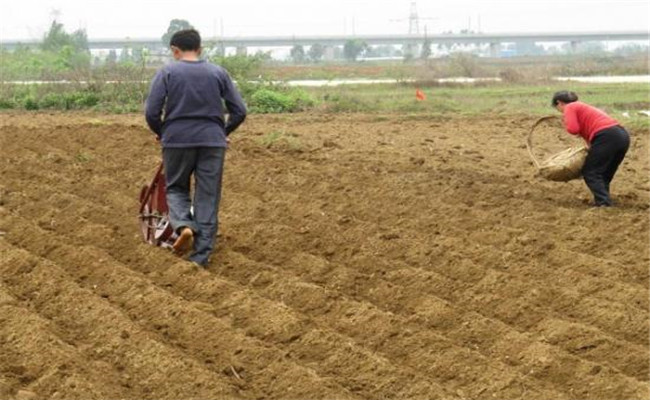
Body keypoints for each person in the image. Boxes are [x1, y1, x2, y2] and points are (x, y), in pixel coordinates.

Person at [145, 29, 247, 266]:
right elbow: (239, 111)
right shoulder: (218, 72)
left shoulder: (167, 72)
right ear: (200, 49)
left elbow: (151, 111)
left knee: (176, 188)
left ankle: (184, 226)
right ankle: (200, 258)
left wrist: (162, 132)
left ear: (174, 50)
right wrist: (222, 133)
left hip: (177, 140)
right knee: (207, 196)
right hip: (212, 141)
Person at [552, 90, 630, 207]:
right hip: (622, 135)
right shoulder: (583, 106)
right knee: (604, 172)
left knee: (591, 172)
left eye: (557, 108)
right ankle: (604, 200)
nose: (560, 112)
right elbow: (592, 131)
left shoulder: (570, 107)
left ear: (559, 103)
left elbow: (573, 129)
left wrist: (566, 122)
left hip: (606, 136)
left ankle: (604, 203)